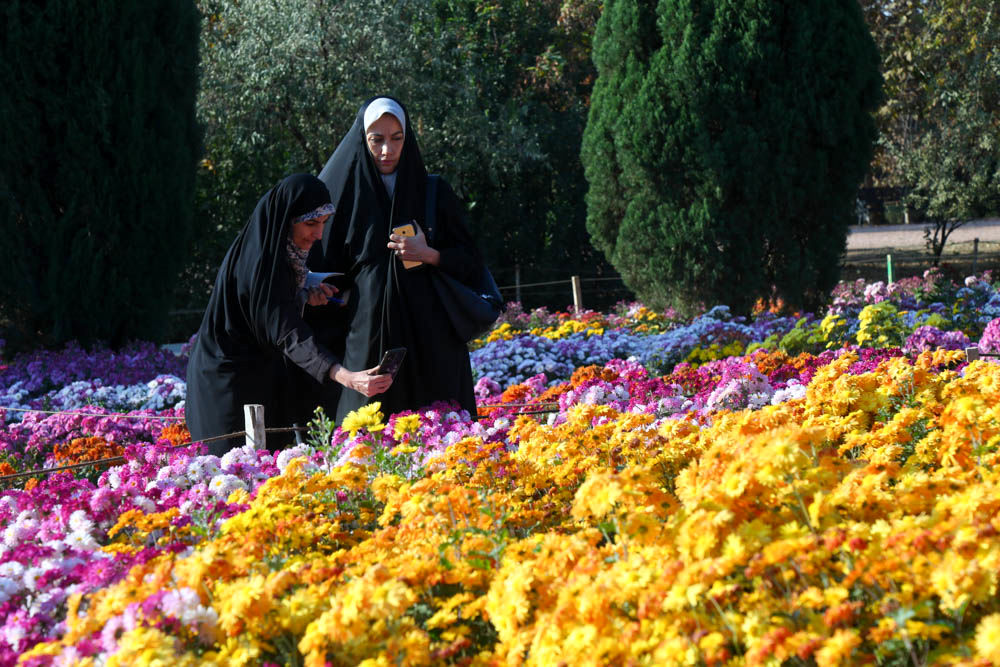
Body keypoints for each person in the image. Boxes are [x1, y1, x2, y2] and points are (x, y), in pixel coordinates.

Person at [185, 173, 394, 456]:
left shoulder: (279, 251)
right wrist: (346, 376)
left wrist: (304, 297)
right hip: (227, 386)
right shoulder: (260, 263)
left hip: (260, 377)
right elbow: (285, 331)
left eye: (323, 223)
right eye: (310, 223)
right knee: (233, 474)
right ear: (285, 219)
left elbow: (266, 311)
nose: (318, 234)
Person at [310, 96, 484, 421]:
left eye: (396, 138)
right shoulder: (340, 200)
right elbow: (319, 266)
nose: (387, 151)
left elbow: (472, 264)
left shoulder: (434, 193)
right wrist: (325, 290)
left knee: (441, 438)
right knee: (363, 444)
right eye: (377, 140)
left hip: (433, 344)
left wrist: (428, 254)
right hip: (366, 344)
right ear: (363, 140)